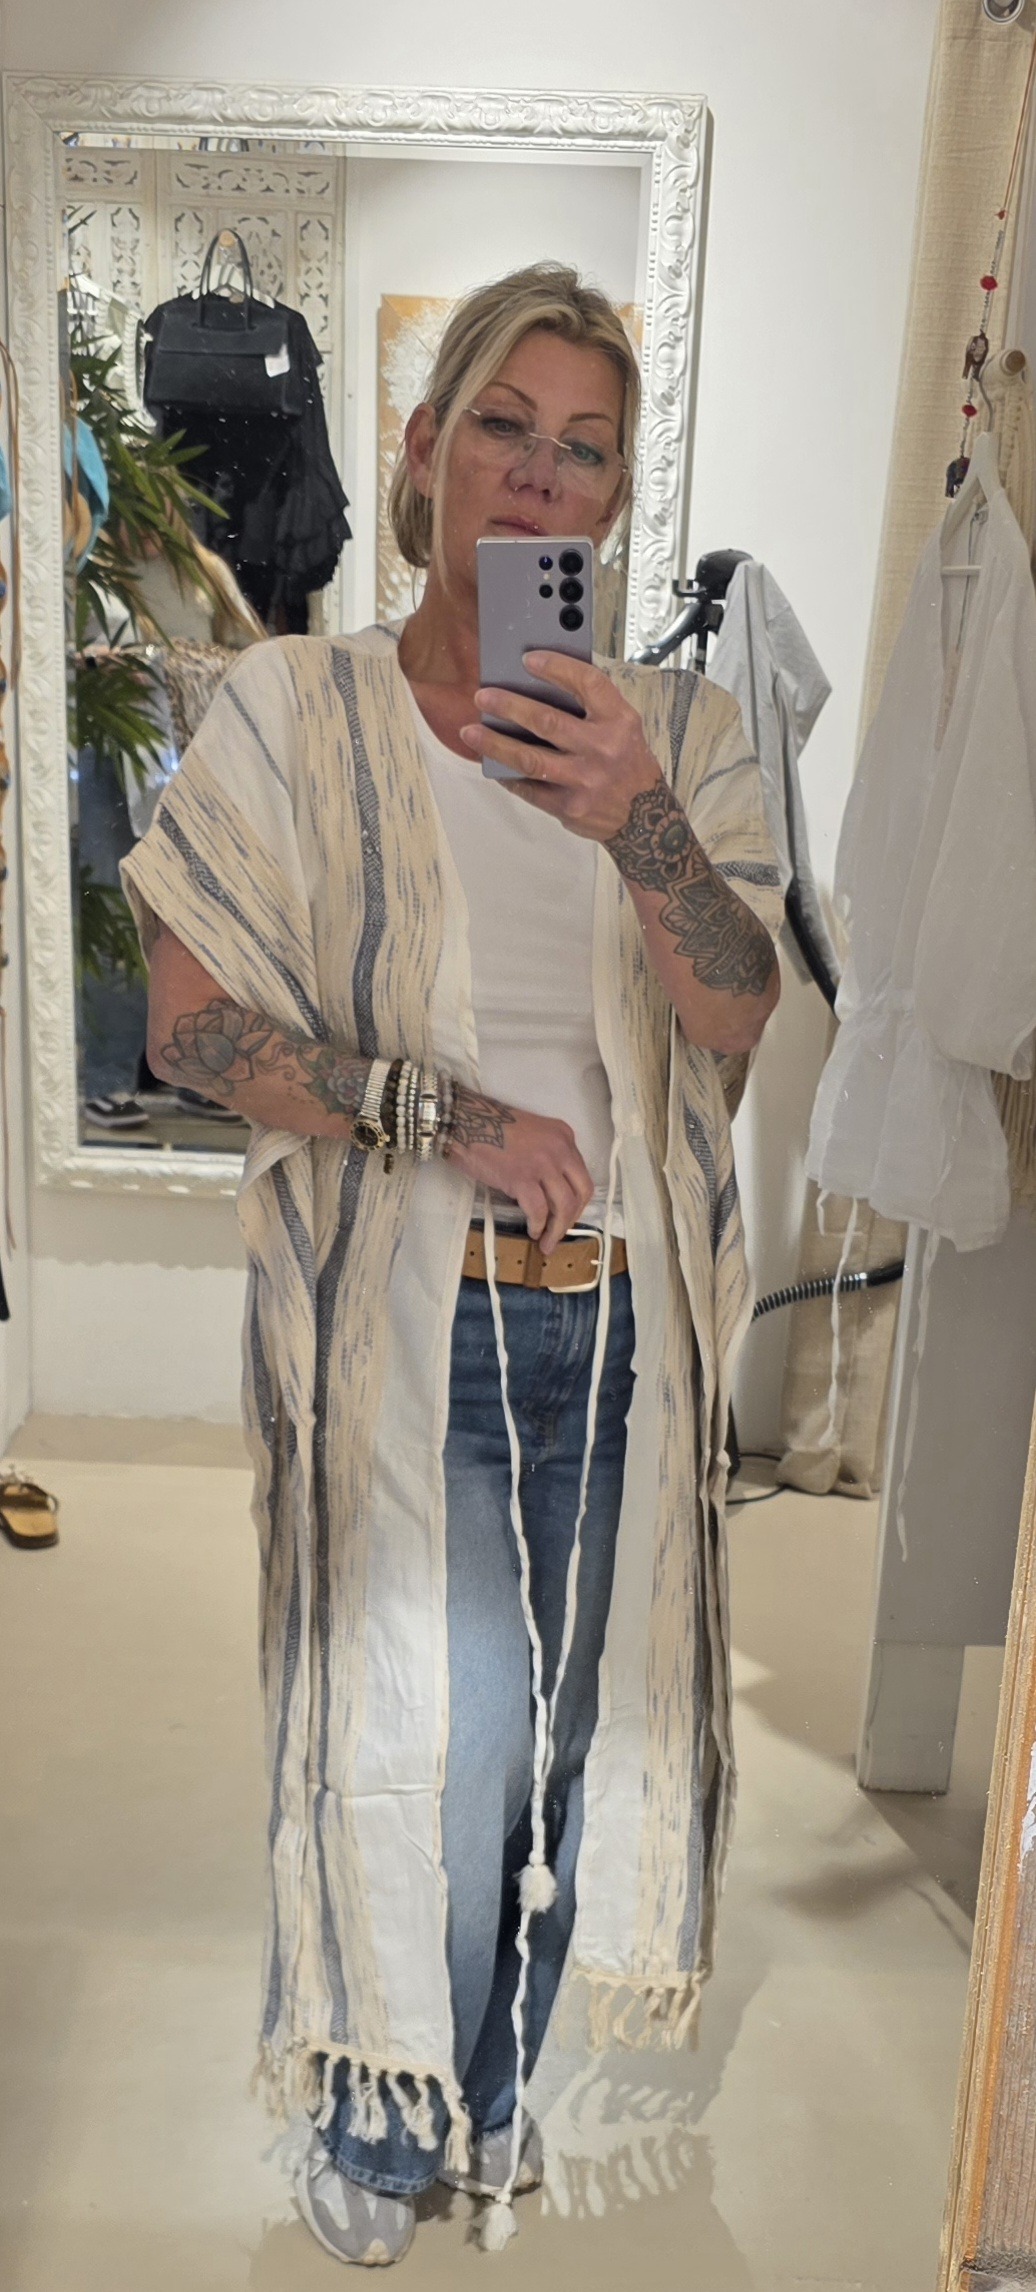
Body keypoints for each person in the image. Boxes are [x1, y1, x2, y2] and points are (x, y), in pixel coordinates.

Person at [122, 262, 781, 2269]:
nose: (538, 474)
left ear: (614, 499)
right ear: (417, 454)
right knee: (418, 1729)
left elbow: (736, 1014)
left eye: (584, 448)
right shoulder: (291, 712)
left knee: (563, 1746)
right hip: (401, 1331)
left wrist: (635, 817)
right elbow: (186, 1027)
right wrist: (442, 1117)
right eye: (501, 423)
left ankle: (485, 2086)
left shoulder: (680, 732)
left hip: (625, 1334)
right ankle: (377, 2102)